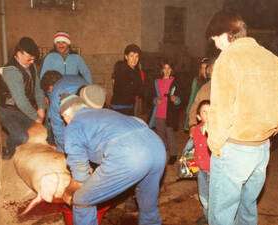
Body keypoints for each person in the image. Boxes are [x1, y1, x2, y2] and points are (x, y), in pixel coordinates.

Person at [205, 10, 278, 225]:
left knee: (221, 215)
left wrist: (215, 145)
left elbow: (221, 110)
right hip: (261, 149)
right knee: (247, 209)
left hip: (233, 149)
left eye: (215, 37)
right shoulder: (272, 59)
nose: (214, 43)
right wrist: (270, 130)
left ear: (228, 34)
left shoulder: (227, 59)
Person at [59, 94, 166, 225]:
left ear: (66, 115)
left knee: (82, 200)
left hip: (130, 155)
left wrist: (69, 191)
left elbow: (80, 173)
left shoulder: (73, 125)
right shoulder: (105, 112)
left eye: (63, 118)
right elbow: (138, 122)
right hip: (156, 145)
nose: (65, 122)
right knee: (147, 201)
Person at [0, 37, 46, 159]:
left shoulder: (31, 66)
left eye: (34, 59)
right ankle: (9, 148)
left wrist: (41, 108)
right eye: (29, 58)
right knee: (22, 136)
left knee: (43, 130)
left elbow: (38, 89)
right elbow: (20, 100)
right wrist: (36, 117)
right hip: (7, 110)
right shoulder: (11, 71)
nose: (32, 61)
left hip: (22, 108)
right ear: (18, 53)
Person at [40, 71, 105, 151]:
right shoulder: (72, 77)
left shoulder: (56, 95)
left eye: (48, 93)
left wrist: (65, 148)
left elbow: (58, 127)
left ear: (50, 87)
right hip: (91, 105)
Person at [148, 59, 181, 165]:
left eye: (169, 68)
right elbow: (150, 97)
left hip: (169, 113)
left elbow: (180, 99)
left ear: (171, 70)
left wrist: (176, 99)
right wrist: (155, 100)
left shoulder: (175, 81)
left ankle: (173, 154)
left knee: (170, 133)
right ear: (161, 70)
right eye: (164, 68)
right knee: (160, 134)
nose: (166, 70)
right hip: (159, 113)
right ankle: (162, 151)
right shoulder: (157, 82)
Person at [191, 100, 212, 225]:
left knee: (215, 197)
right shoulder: (196, 130)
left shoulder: (218, 131)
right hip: (200, 170)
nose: (208, 114)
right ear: (199, 116)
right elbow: (192, 147)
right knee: (203, 195)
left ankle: (213, 219)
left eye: (211, 111)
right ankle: (207, 216)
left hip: (214, 171)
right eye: (205, 111)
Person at [110, 44, 142, 115]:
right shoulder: (122, 69)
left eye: (137, 56)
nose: (134, 59)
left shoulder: (136, 71)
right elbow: (125, 89)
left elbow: (139, 90)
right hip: (119, 107)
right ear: (126, 56)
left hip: (130, 106)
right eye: (131, 56)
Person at [187, 58, 215, 135]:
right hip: (205, 129)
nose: (215, 72)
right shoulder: (205, 88)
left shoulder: (228, 88)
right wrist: (192, 125)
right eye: (213, 69)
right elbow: (194, 107)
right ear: (209, 71)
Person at [183, 58, 209, 131]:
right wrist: (189, 111)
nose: (204, 70)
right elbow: (192, 97)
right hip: (198, 111)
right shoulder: (197, 80)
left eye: (206, 67)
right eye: (202, 68)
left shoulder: (212, 82)